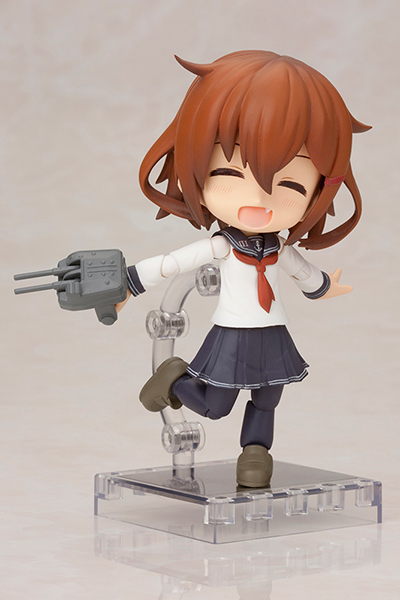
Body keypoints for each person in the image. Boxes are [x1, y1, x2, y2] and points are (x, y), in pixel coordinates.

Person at [118, 51, 370, 487]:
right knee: (216, 406)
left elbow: (302, 272)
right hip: (232, 332)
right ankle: (174, 380)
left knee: (268, 398)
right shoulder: (221, 245)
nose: (258, 201)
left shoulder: (278, 246)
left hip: (273, 331)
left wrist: (325, 286)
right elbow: (172, 263)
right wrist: (129, 284)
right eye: (230, 175)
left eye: (290, 185)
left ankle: (255, 453)